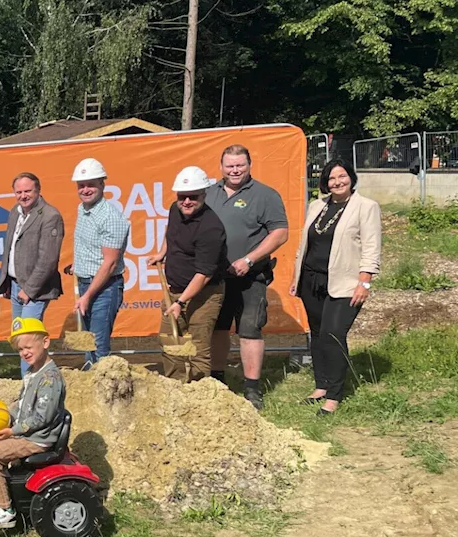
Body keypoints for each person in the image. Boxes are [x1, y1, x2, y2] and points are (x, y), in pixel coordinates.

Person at [290, 160, 381, 416]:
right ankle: (321, 385)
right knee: (317, 334)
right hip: (311, 280)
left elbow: (372, 247)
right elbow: (305, 243)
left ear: (351, 178)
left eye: (342, 176)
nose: (337, 182)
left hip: (345, 283)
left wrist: (364, 282)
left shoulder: (366, 207)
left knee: (333, 334)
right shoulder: (317, 205)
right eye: (331, 178)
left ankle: (334, 396)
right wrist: (295, 277)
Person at [206, 144, 290, 410]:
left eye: (240, 165)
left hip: (251, 277)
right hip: (216, 278)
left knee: (250, 330)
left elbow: (280, 233)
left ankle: (252, 389)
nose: (234, 170)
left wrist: (249, 259)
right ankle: (216, 382)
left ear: (249, 165)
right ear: (221, 167)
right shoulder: (208, 193)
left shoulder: (265, 195)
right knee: (217, 329)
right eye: (229, 165)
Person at [0, 317, 68, 530]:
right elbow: (22, 406)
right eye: (20, 350)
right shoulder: (33, 372)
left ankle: (3, 509)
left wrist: (12, 431)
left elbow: (42, 418)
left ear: (45, 342)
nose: (24, 353)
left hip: (38, 439)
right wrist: (1, 417)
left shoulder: (50, 378)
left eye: (28, 347)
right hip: (29, 433)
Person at [149, 167, 229, 383]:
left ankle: (197, 393)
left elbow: (203, 275)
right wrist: (162, 252)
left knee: (197, 347)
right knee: (170, 342)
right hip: (174, 291)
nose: (186, 201)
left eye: (192, 197)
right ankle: (177, 388)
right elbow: (171, 233)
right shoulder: (175, 210)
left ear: (203, 195)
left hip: (204, 295)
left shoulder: (211, 228)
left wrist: (181, 302)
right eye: (182, 197)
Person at [0, 172, 64, 375]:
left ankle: (34, 382)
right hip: (16, 285)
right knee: (20, 338)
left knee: (29, 340)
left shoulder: (51, 216)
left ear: (38, 190)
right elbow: (10, 249)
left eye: (27, 191)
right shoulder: (15, 213)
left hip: (36, 290)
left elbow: (48, 259)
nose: (23, 195)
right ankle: (28, 381)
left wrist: (29, 289)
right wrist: (7, 282)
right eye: (19, 192)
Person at [65, 159, 129, 368]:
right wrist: (79, 265)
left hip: (105, 289)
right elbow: (89, 246)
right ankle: (90, 386)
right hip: (86, 283)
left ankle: (104, 392)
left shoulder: (110, 218)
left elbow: (110, 264)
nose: (85, 190)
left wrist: (87, 296)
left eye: (91, 184)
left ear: (102, 184)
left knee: (99, 345)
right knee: (88, 343)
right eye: (81, 185)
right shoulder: (82, 209)